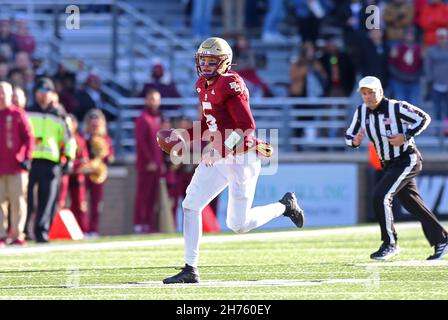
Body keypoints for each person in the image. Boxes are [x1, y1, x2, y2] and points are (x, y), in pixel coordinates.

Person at [162, 37, 305, 284]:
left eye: (211, 61)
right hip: (220, 156)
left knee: (238, 224)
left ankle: (285, 206)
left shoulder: (232, 83)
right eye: (203, 60)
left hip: (241, 157)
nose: (206, 66)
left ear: (225, 62)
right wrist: (184, 136)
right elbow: (209, 124)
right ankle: (190, 268)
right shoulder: (202, 85)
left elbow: (247, 126)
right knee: (191, 204)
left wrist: (219, 149)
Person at [345, 76, 448, 261]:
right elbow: (349, 135)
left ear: (381, 92)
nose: (368, 97)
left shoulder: (396, 107)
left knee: (380, 195)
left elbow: (424, 118)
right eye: (364, 93)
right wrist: (354, 141)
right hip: (389, 164)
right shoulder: (361, 111)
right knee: (412, 204)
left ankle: (390, 243)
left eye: (371, 92)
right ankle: (442, 239)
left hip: (407, 159)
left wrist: (406, 135)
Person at [25, 77, 75, 242]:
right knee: (28, 199)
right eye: (40, 92)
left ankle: (42, 231)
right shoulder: (28, 112)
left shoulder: (59, 116)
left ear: (53, 94)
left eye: (47, 92)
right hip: (30, 161)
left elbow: (68, 140)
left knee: (47, 200)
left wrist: (68, 158)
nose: (43, 95)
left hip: (51, 162)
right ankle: (25, 230)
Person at [0, 81, 34, 246]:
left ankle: (17, 235)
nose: (1, 96)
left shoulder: (18, 114)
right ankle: (1, 235)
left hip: (16, 168)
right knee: (0, 203)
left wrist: (26, 157)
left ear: (10, 95)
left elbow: (29, 138)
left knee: (18, 202)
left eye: (3, 93)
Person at [134, 89, 165, 233]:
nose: (154, 102)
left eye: (156, 99)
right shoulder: (143, 118)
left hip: (157, 165)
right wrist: (149, 161)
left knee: (153, 196)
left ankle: (149, 223)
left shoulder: (158, 118)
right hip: (147, 166)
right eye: (151, 99)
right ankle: (140, 222)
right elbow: (141, 142)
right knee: (143, 195)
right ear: (146, 100)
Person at [83, 109, 114, 237]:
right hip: (85, 174)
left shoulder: (105, 138)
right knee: (82, 204)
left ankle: (93, 229)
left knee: (96, 204)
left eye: (97, 120)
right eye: (92, 120)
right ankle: (84, 229)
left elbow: (110, 157)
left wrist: (104, 154)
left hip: (98, 175)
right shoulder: (84, 137)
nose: (94, 123)